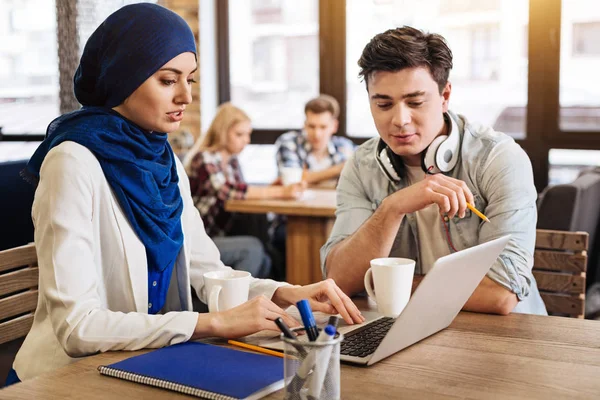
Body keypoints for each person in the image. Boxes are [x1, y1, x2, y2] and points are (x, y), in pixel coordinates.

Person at [7, 4, 363, 385]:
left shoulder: (164, 160)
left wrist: (283, 292)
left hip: (143, 366)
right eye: (167, 80)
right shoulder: (71, 162)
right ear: (123, 77)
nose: (186, 97)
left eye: (190, 80)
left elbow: (206, 268)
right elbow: (78, 327)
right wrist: (213, 322)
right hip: (65, 380)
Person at [322, 26, 547, 316]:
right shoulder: (362, 165)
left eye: (415, 102)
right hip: (410, 333)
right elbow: (339, 279)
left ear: (445, 95)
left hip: (504, 338)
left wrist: (393, 283)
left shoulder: (497, 158)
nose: (400, 120)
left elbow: (500, 294)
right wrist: (392, 208)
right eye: (383, 104)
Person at [184, 102, 305, 279]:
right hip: (201, 239)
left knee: (267, 256)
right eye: (239, 134)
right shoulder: (204, 159)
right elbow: (228, 191)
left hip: (222, 233)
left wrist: (273, 188)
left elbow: (242, 194)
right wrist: (282, 192)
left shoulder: (232, 161)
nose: (246, 141)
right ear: (222, 132)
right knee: (253, 249)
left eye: (248, 134)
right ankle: (235, 302)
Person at [275, 94, 355, 186]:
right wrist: (339, 169)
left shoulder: (345, 146)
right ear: (304, 125)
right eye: (311, 126)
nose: (317, 134)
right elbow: (291, 181)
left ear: (334, 126)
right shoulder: (289, 142)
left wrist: (307, 178)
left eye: (323, 127)